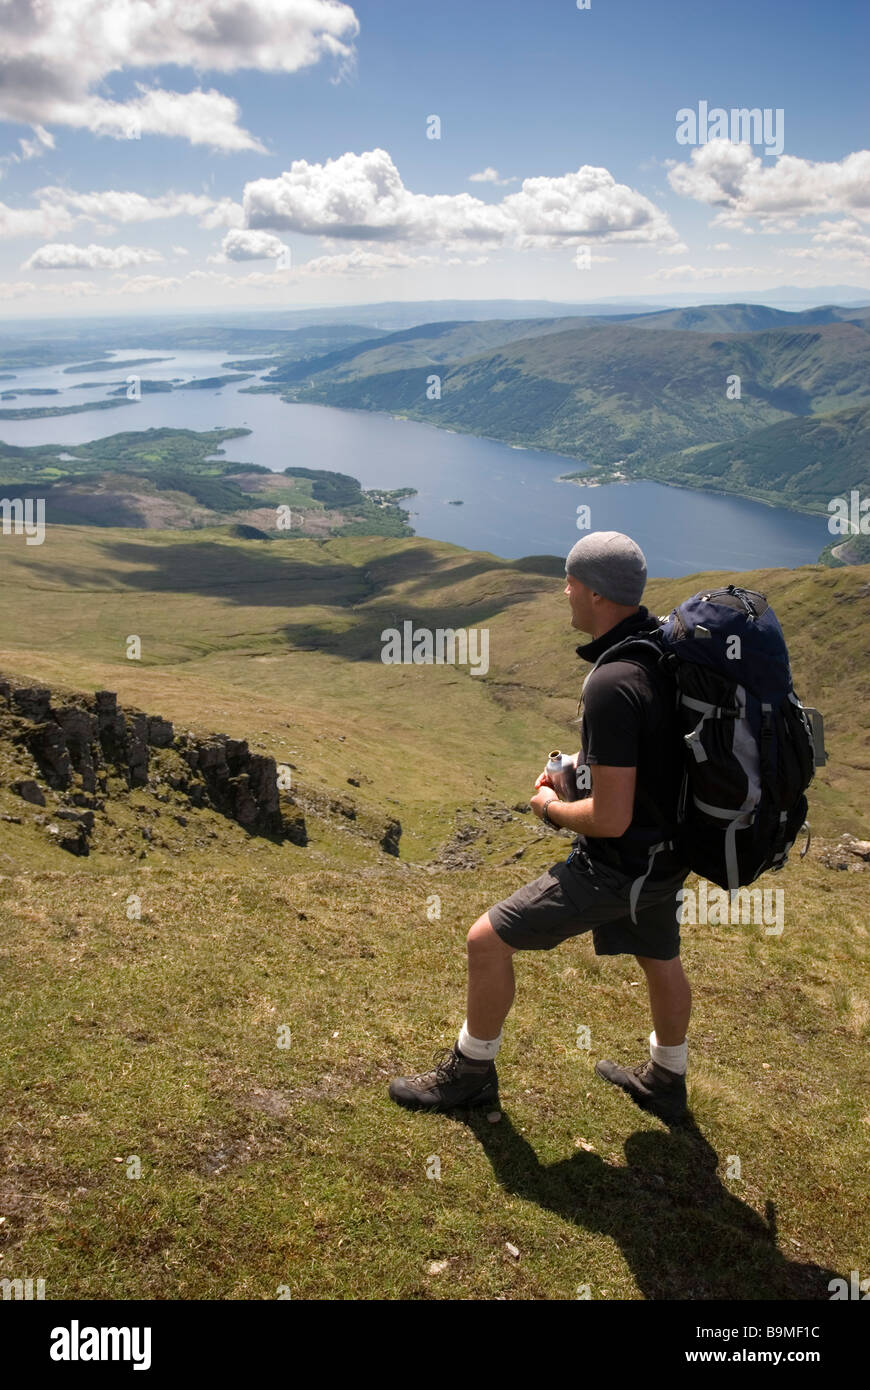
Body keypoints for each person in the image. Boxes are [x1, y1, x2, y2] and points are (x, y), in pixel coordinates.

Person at [388, 530, 692, 1124]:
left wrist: (548, 809)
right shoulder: (664, 652)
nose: (566, 593)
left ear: (597, 594)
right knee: (659, 957)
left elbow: (609, 818)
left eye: (572, 583)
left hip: (619, 865)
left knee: (486, 939)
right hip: (668, 853)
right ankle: (667, 1078)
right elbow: (656, 754)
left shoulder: (610, 682)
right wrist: (580, 768)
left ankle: (470, 1075)